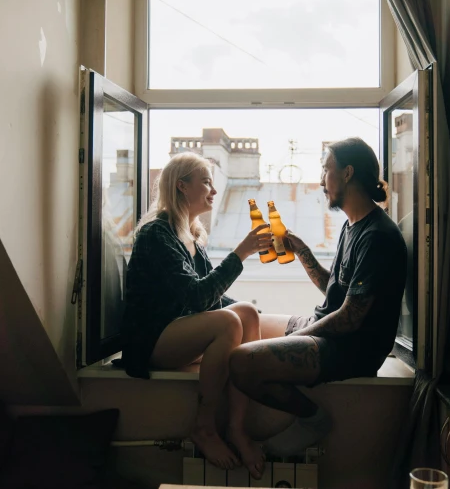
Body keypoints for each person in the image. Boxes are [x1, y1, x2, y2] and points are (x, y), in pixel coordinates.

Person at [228, 137, 408, 456]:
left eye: (326, 170)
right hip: (328, 327)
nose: (321, 181)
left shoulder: (379, 237)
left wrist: (300, 334)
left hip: (353, 348)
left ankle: (313, 419)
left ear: (348, 173)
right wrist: (301, 250)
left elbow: (351, 317)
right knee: (245, 320)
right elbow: (335, 291)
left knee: (241, 362)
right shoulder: (352, 226)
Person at [119, 152, 274, 478]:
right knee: (230, 321)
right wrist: (241, 253)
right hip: (150, 342)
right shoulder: (157, 234)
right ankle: (204, 428)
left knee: (245, 313)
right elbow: (199, 298)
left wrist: (260, 318)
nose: (213, 191)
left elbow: (214, 298)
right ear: (181, 186)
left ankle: (236, 428)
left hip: (175, 334)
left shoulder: (188, 236)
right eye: (206, 182)